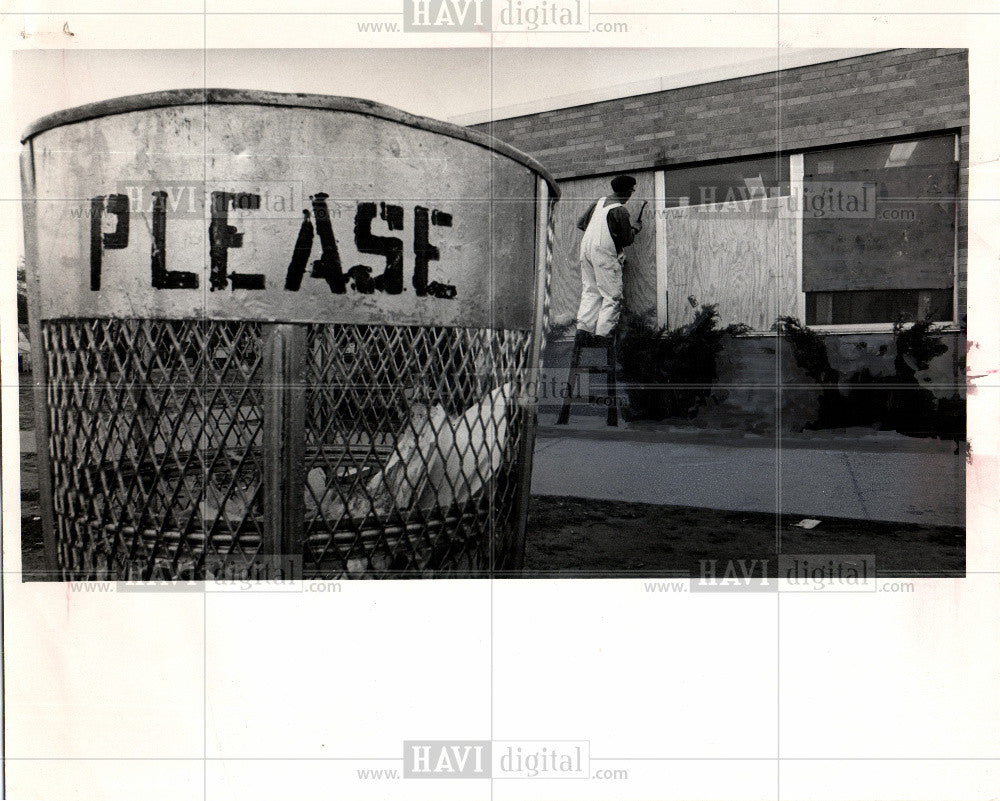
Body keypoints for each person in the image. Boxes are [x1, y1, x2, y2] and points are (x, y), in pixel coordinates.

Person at [575, 174, 642, 341]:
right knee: (612, 296)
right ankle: (603, 337)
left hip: (586, 250)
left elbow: (581, 224)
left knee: (591, 292)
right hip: (603, 254)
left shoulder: (597, 203)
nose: (631, 195)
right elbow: (626, 240)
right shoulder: (620, 210)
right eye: (631, 191)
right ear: (627, 191)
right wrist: (635, 229)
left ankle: (583, 332)